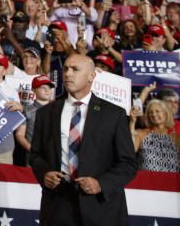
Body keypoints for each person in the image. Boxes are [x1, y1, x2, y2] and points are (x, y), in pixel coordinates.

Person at [29, 53, 138, 226]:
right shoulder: (46, 113)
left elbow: (128, 164)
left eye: (75, 69)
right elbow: (35, 155)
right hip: (58, 206)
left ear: (91, 76)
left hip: (101, 208)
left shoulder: (114, 114)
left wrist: (100, 184)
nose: (68, 74)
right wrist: (44, 174)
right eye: (65, 69)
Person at [130, 99, 180, 173]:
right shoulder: (141, 134)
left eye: (157, 111)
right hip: (147, 182)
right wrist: (132, 122)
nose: (153, 114)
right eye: (150, 112)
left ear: (166, 114)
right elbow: (129, 150)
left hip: (172, 183)